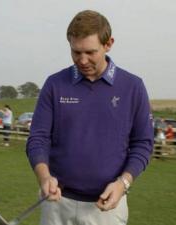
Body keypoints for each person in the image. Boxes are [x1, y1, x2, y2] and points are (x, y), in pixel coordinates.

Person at [26, 10, 153, 225]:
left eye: (90, 52)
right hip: (57, 205)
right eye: (76, 52)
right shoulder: (54, 84)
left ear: (108, 44)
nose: (82, 60)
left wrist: (123, 183)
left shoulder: (133, 87)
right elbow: (38, 139)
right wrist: (44, 177)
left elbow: (143, 144)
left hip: (107, 209)